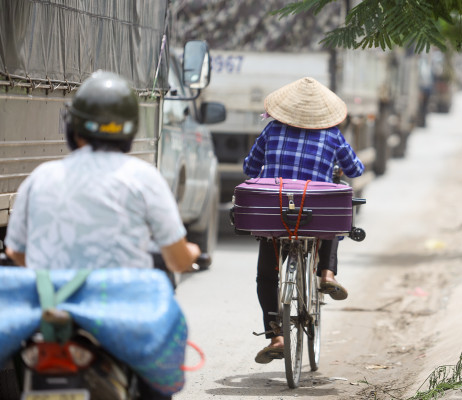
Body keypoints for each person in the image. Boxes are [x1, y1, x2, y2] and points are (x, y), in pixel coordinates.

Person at [4, 70, 200, 399]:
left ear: (74, 127)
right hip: (121, 313)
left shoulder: (41, 177)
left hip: (49, 314)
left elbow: (17, 253)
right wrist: (191, 253)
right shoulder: (143, 178)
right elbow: (177, 260)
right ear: (130, 129)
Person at [242, 76, 364, 364]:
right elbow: (355, 170)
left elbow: (250, 167)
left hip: (276, 211)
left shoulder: (272, 129)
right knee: (332, 216)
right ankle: (327, 274)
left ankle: (276, 336)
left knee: (267, 275)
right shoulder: (332, 135)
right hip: (314, 211)